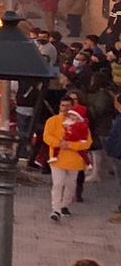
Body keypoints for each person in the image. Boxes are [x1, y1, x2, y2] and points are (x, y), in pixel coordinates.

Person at [44, 92, 92, 220]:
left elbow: (87, 142)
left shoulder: (80, 123)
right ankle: (56, 209)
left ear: (73, 107)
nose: (65, 109)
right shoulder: (52, 121)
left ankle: (65, 205)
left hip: (74, 160)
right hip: (57, 159)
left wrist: (70, 145)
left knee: (71, 184)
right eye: (62, 106)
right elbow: (47, 136)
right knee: (58, 183)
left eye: (67, 106)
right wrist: (58, 143)